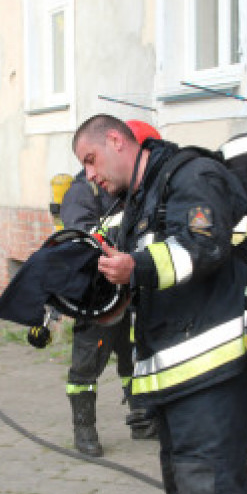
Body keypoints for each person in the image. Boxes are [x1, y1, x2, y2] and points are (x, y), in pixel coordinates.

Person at [72, 114, 247, 494]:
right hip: (178, 381)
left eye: (91, 159)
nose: (89, 175)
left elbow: (203, 244)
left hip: (214, 373)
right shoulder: (139, 203)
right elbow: (141, 287)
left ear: (117, 140)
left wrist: (135, 266)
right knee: (189, 491)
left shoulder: (192, 176)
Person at [59, 121, 161, 455]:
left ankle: (143, 420)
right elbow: (80, 241)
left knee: (134, 361)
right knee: (86, 366)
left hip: (132, 294)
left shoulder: (135, 190)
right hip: (98, 299)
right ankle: (84, 430)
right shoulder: (83, 192)